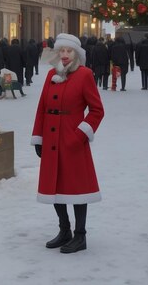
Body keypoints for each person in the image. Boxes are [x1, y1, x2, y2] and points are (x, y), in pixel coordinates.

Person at [31, 33, 104, 254]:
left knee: (78, 188)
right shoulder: (51, 75)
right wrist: (38, 137)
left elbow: (97, 111)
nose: (64, 55)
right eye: (61, 51)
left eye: (68, 51)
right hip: (51, 140)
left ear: (76, 54)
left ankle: (80, 236)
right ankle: (65, 231)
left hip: (72, 140)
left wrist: (79, 134)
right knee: (55, 186)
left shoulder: (85, 75)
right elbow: (42, 107)